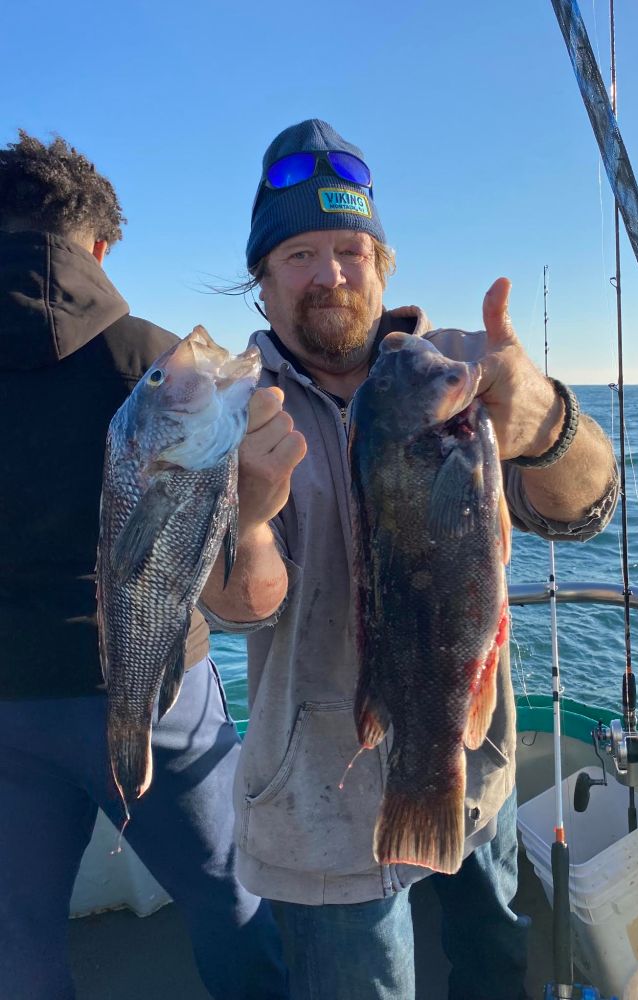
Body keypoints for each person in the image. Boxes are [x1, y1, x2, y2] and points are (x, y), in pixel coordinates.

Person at [201, 119, 619, 1000]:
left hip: (472, 767)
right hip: (317, 802)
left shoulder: (467, 371)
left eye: (350, 249)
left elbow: (589, 506)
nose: (329, 274)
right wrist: (245, 518)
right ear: (263, 285)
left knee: (498, 968)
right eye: (298, 255)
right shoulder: (227, 417)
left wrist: (546, 426)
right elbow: (239, 609)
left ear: (385, 265)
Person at [0, 131, 289, 1000]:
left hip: (8, 702)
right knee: (228, 891)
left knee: (18, 933)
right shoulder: (163, 368)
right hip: (159, 685)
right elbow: (232, 574)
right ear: (101, 245)